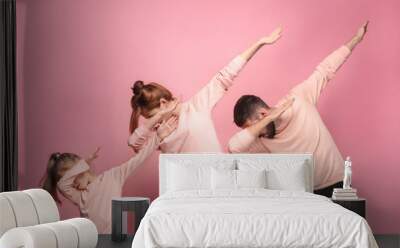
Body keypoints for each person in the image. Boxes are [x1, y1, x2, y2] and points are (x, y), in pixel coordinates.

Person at [228, 22, 369, 197]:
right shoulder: (261, 140)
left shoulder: (298, 99)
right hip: (305, 193)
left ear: (262, 113)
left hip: (338, 184)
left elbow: (325, 70)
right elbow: (233, 147)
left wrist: (356, 39)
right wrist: (266, 121)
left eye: (252, 126)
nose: (255, 133)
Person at [128, 27, 283, 153]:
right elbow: (134, 144)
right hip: (185, 189)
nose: (154, 122)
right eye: (151, 120)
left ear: (163, 102)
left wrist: (260, 43)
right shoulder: (161, 132)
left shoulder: (196, 106)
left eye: (152, 116)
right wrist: (156, 123)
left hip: (216, 183)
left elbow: (226, 75)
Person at [41, 117, 178, 233]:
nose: (72, 184)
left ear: (80, 168)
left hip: (115, 240)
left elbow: (139, 159)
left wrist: (158, 137)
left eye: (73, 177)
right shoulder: (79, 196)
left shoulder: (113, 177)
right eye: (69, 177)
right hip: (93, 242)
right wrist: (85, 162)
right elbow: (62, 184)